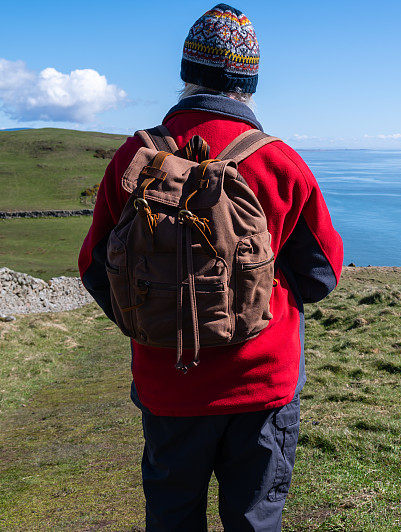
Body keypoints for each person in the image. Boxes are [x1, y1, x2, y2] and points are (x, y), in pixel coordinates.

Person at [77, 4, 344, 530]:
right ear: (248, 81)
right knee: (254, 519)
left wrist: (152, 318)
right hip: (261, 384)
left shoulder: (136, 156)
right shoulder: (277, 160)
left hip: (167, 380)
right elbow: (320, 277)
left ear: (186, 74)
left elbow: (94, 266)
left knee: (173, 517)